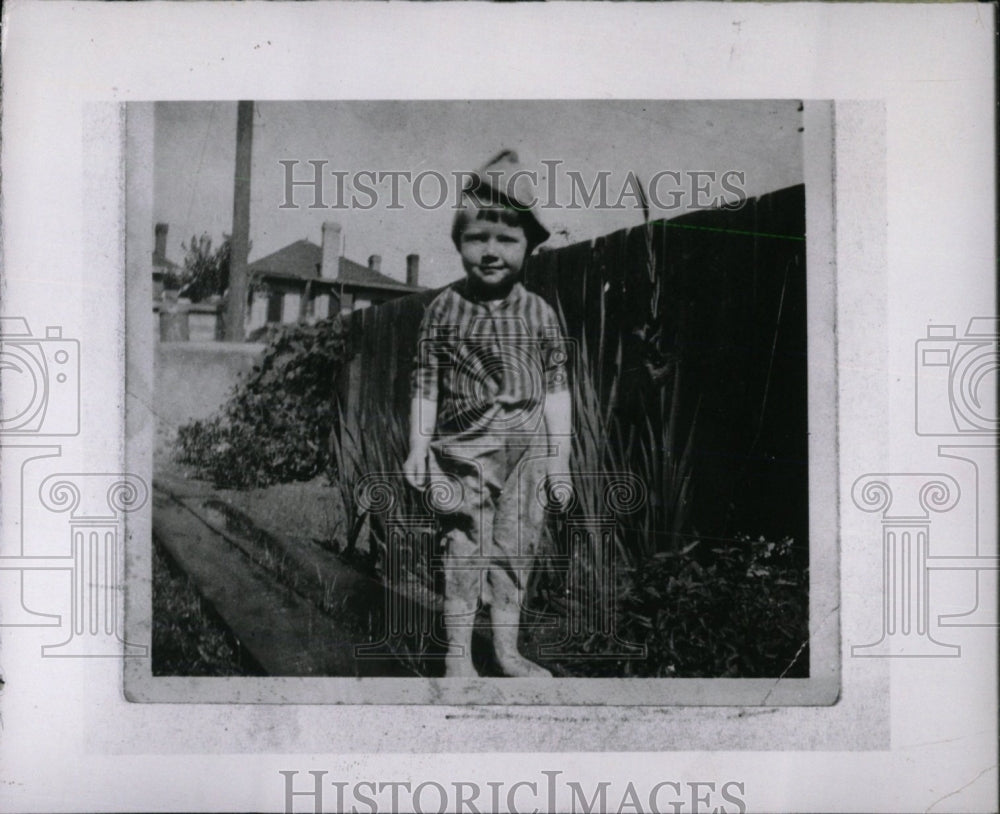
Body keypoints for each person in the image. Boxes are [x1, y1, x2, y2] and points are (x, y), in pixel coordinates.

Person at [403, 150, 573, 678]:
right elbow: (426, 385)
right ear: (458, 243)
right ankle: (457, 659)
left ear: (530, 247)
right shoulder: (443, 309)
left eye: (507, 238)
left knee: (513, 554)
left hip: (527, 458)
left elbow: (556, 390)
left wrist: (560, 459)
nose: (492, 250)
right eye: (478, 237)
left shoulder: (540, 313)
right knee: (462, 551)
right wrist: (416, 446)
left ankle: (505, 651)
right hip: (462, 457)